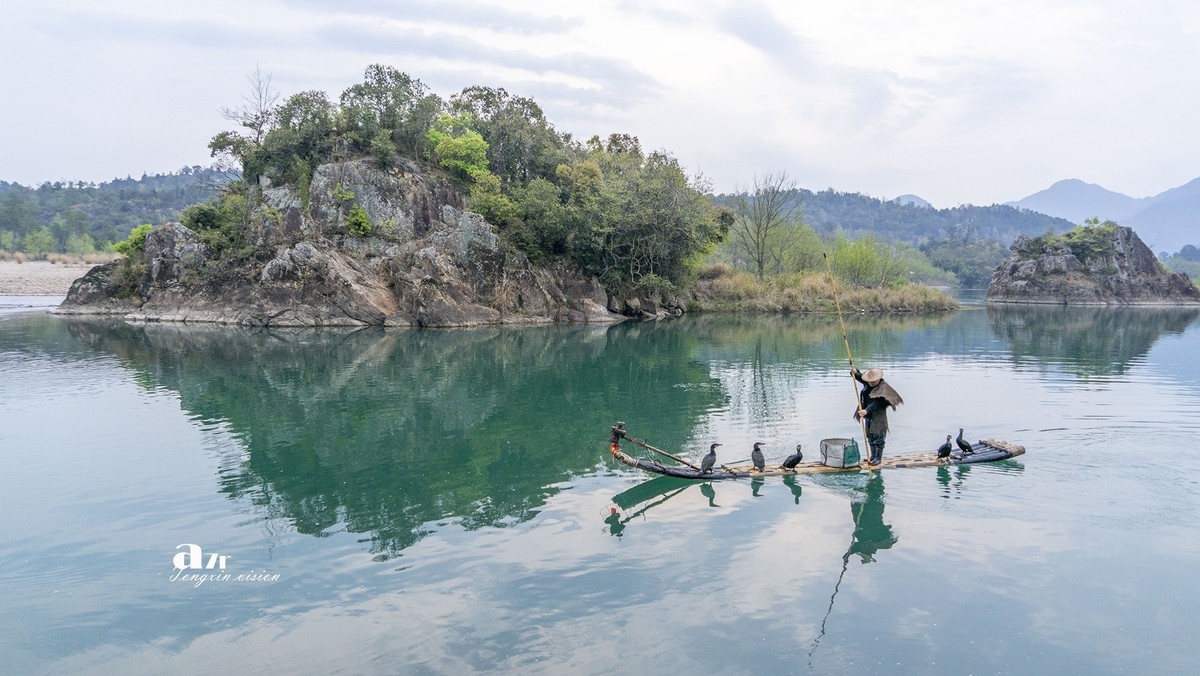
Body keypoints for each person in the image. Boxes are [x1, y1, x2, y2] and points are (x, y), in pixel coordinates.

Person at [851, 366, 904, 465]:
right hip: (868, 416)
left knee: (879, 438)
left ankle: (878, 458)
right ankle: (872, 456)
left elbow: (877, 403)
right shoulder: (867, 383)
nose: (871, 383)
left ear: (878, 379)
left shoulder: (883, 388)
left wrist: (866, 410)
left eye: (873, 382)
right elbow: (858, 376)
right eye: (870, 382)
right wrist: (854, 371)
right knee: (870, 436)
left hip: (879, 416)